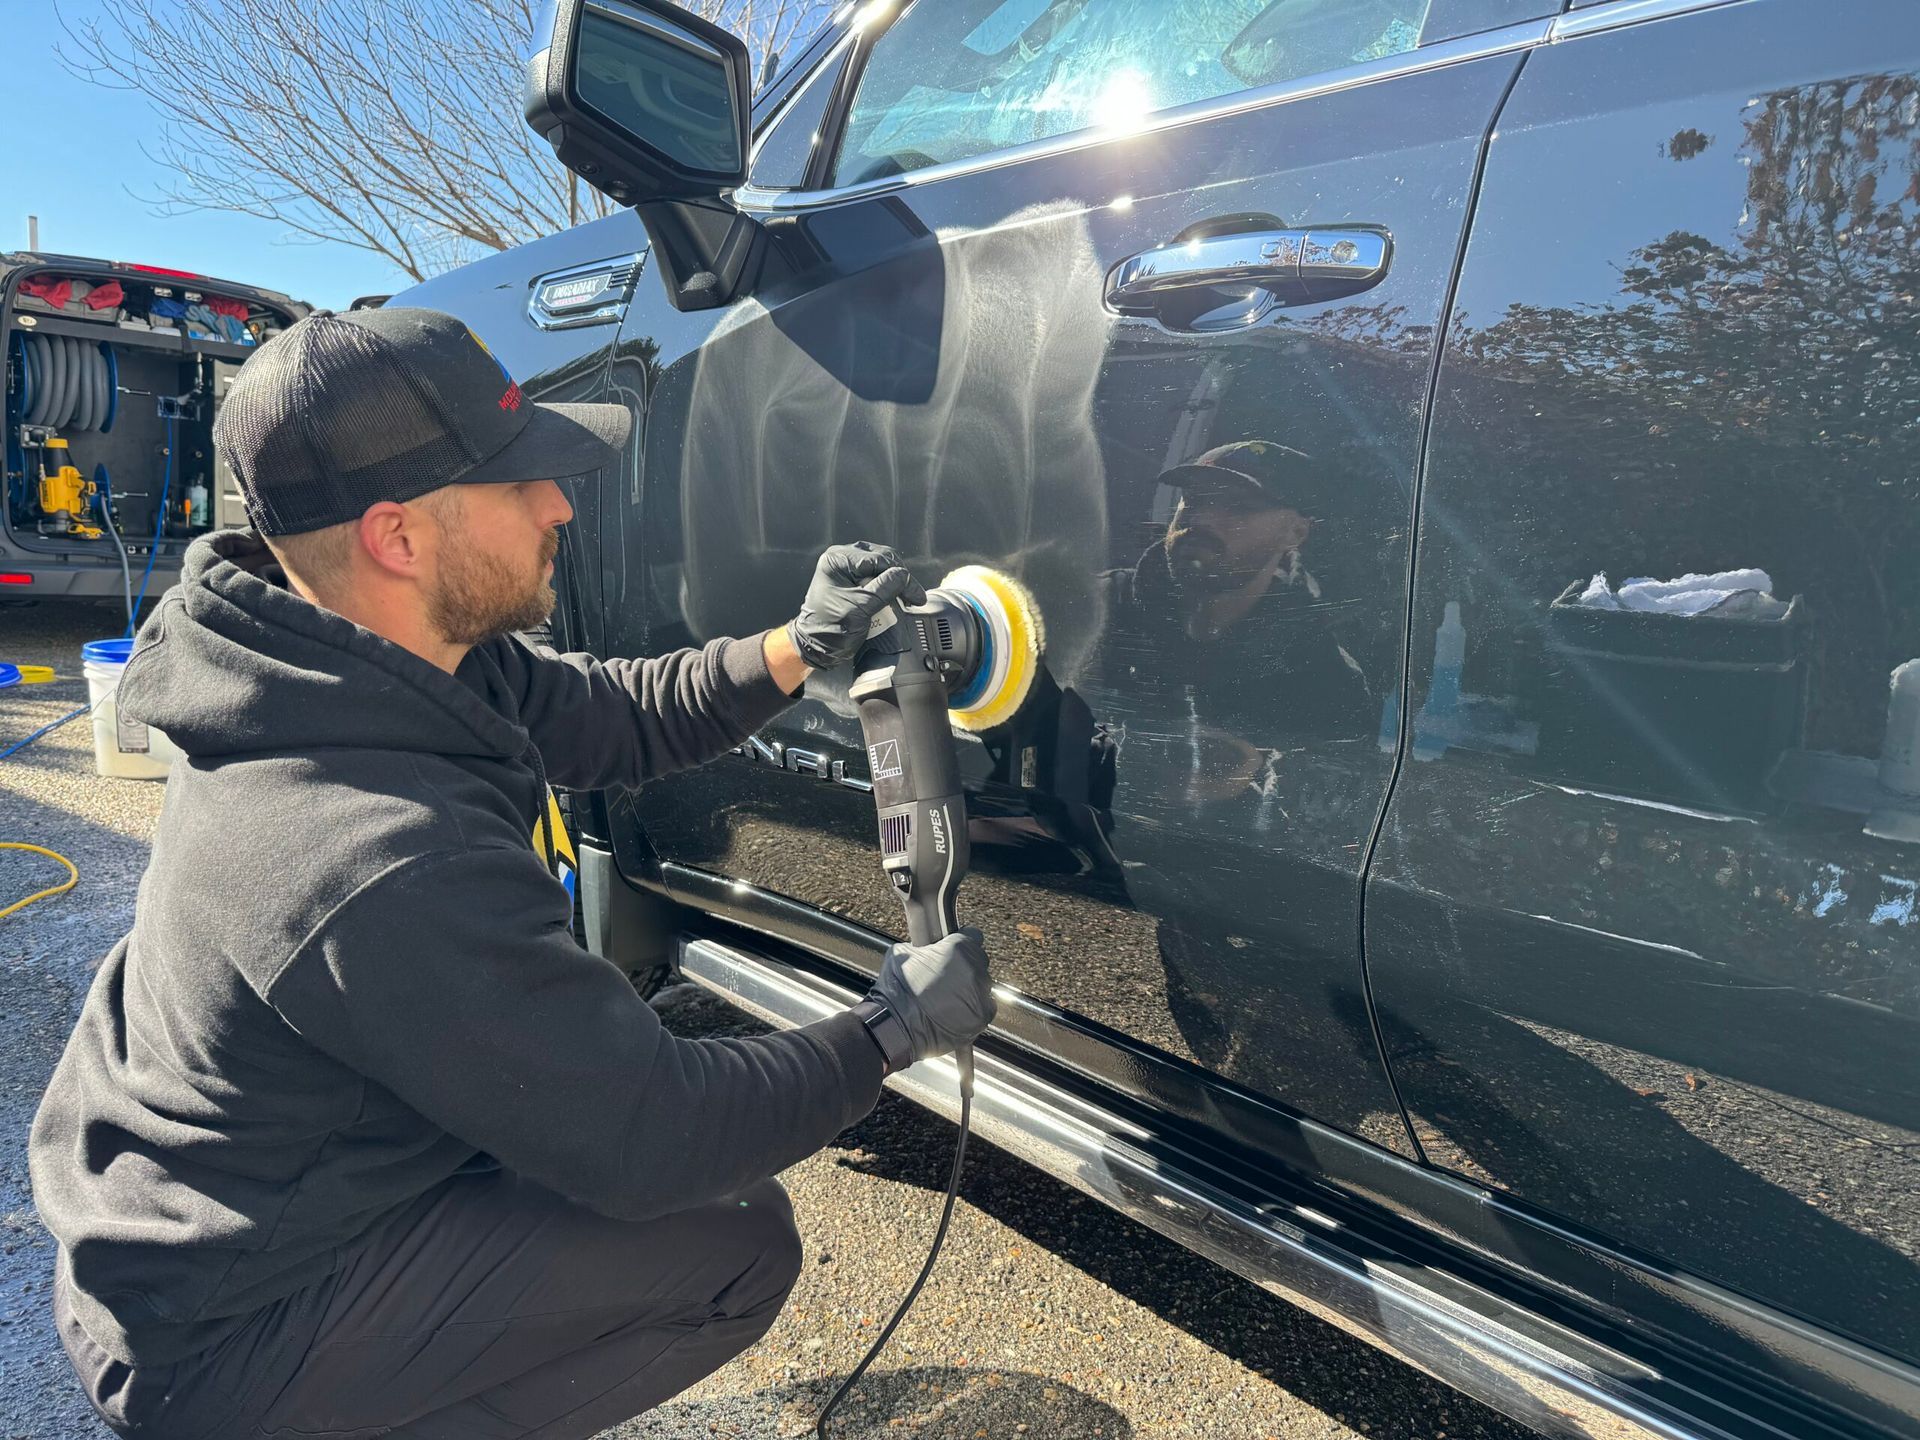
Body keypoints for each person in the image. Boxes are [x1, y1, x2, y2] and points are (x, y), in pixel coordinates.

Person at [28, 307, 994, 1440]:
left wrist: (795, 646)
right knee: (732, 1242)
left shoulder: (352, 658)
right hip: (223, 1335)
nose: (562, 506)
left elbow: (610, 713)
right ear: (399, 536)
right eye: (523, 483)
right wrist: (885, 1032)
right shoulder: (364, 850)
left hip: (216, 1215)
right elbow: (660, 1137)